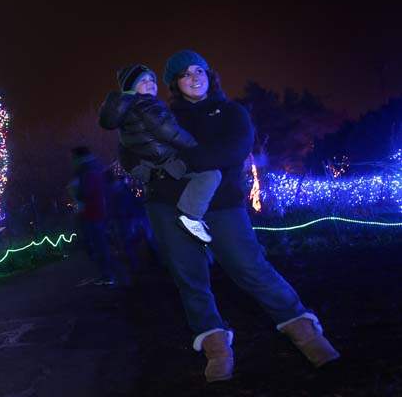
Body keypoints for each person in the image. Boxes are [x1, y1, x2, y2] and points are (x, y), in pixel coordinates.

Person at [135, 49, 340, 382]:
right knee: (190, 277)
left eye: (198, 70)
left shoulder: (232, 112)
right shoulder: (163, 116)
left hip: (222, 204)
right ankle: (216, 348)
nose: (193, 77)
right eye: (184, 74)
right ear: (175, 83)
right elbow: (137, 149)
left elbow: (233, 150)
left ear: (209, 75)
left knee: (250, 266)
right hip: (169, 206)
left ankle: (304, 331)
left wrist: (179, 162)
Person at [99, 64, 222, 243]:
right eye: (143, 81)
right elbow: (169, 131)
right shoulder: (146, 104)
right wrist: (195, 147)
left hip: (150, 162)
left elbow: (128, 148)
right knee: (211, 174)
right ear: (131, 88)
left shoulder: (125, 113)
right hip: (165, 158)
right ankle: (191, 215)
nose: (150, 83)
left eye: (152, 80)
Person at [67, 146, 124, 286]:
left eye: (73, 157)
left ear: (79, 157)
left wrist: (75, 191)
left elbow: (86, 192)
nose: (72, 160)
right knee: (99, 244)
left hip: (93, 212)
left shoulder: (87, 170)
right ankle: (112, 274)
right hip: (98, 211)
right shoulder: (94, 167)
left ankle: (110, 275)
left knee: (98, 245)